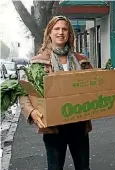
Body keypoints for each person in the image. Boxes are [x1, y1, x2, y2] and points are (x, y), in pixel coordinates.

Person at [19, 16, 92, 170]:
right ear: (50, 34)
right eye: (56, 29)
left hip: (79, 124)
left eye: (64, 29)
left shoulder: (82, 61)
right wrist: (31, 112)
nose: (61, 32)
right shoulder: (38, 62)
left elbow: (96, 86)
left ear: (69, 34)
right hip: (53, 127)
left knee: (83, 167)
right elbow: (24, 91)